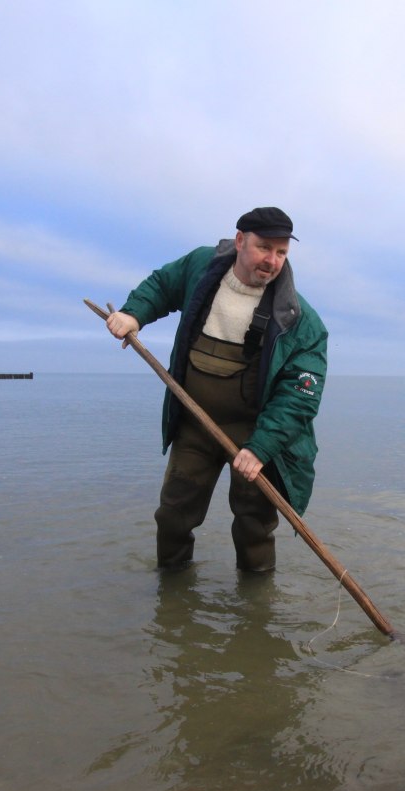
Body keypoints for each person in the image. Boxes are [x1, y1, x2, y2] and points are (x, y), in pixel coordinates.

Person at [105, 207, 327, 573]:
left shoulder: (300, 319)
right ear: (240, 241)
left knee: (254, 526)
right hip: (195, 423)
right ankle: (172, 598)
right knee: (173, 515)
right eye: (264, 247)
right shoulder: (201, 267)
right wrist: (134, 314)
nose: (272, 261)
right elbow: (163, 285)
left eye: (282, 252)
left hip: (255, 435)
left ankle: (256, 610)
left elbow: (300, 397)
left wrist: (261, 448)